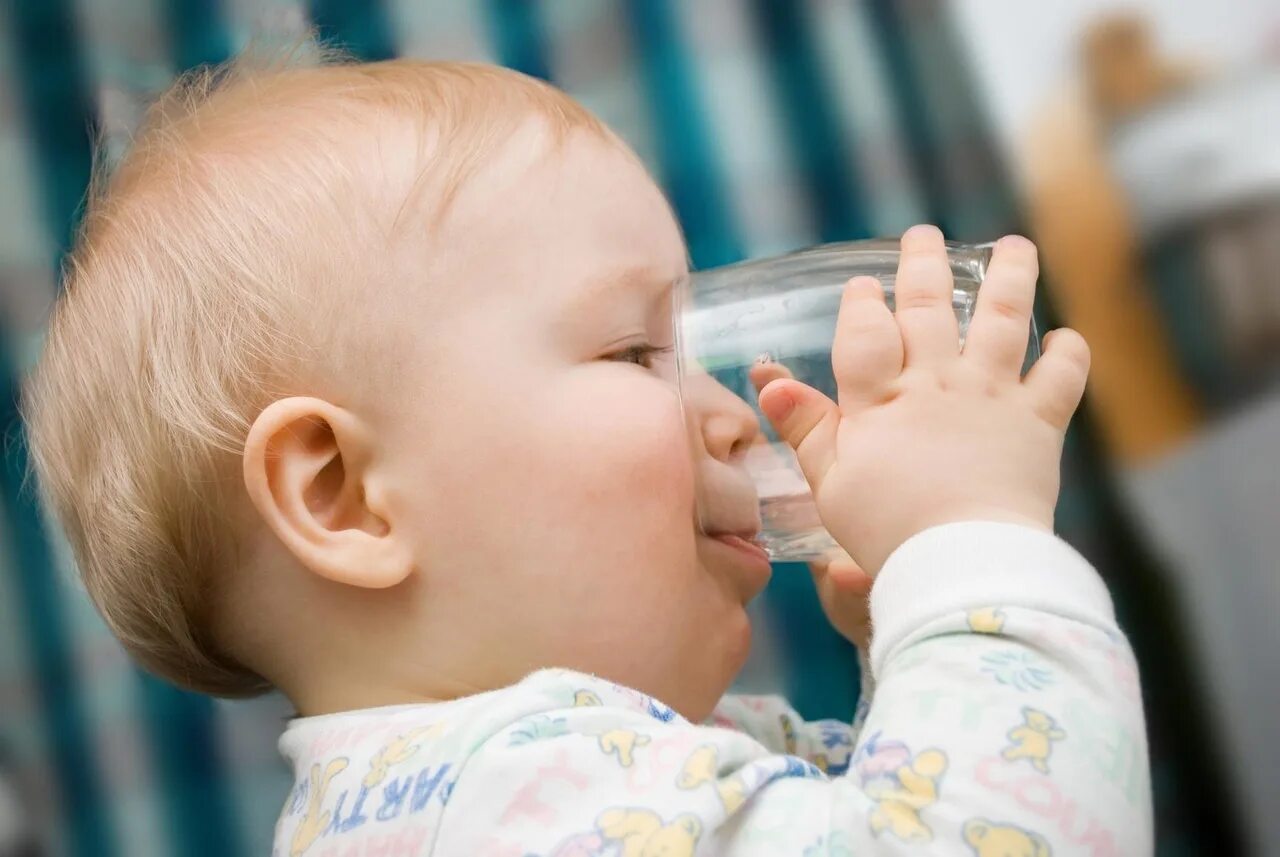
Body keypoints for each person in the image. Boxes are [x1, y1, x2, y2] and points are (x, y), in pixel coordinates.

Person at [22, 51, 1150, 855]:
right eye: (630, 348)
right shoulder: (507, 812)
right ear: (345, 495)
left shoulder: (500, 783)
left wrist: (912, 657)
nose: (730, 411)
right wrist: (969, 562)